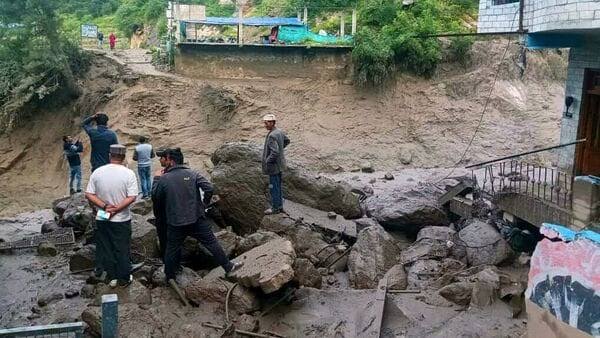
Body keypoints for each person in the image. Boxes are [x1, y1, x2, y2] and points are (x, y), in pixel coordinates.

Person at [151, 148, 242, 282]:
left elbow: (155, 197)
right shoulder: (192, 173)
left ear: (170, 160)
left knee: (171, 249)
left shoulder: (164, 178)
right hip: (196, 218)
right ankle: (228, 267)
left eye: (165, 158)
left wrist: (157, 179)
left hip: (176, 222)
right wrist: (203, 204)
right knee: (211, 243)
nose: (162, 160)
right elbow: (209, 188)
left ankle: (169, 276)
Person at [85, 144, 138, 288]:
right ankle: (124, 278)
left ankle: (112, 277)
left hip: (102, 215)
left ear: (110, 155)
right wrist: (115, 209)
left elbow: (89, 194)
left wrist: (104, 207)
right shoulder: (128, 173)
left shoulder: (98, 172)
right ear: (123, 157)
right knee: (122, 247)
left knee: (105, 247)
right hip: (121, 217)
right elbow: (132, 197)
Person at [261, 114, 290, 215]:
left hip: (273, 167)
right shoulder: (279, 132)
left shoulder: (272, 135)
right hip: (280, 165)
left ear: (273, 122)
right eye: (265, 123)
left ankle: (275, 208)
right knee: (278, 186)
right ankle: (280, 205)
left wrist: (267, 161)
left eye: (267, 123)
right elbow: (287, 141)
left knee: (273, 187)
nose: (265, 125)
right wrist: (281, 149)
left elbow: (275, 152)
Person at [151, 148, 169, 260]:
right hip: (175, 216)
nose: (159, 159)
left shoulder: (98, 173)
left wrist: (157, 179)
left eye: (161, 157)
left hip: (164, 216)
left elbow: (155, 196)